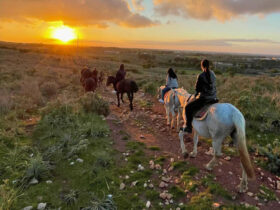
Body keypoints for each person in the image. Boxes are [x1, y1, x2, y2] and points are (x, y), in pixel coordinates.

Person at [183, 59, 217, 133]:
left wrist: (197, 93)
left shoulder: (201, 75)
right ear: (209, 65)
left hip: (205, 99)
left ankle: (188, 127)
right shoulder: (213, 74)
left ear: (202, 66)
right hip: (214, 98)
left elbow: (197, 89)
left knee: (187, 108)